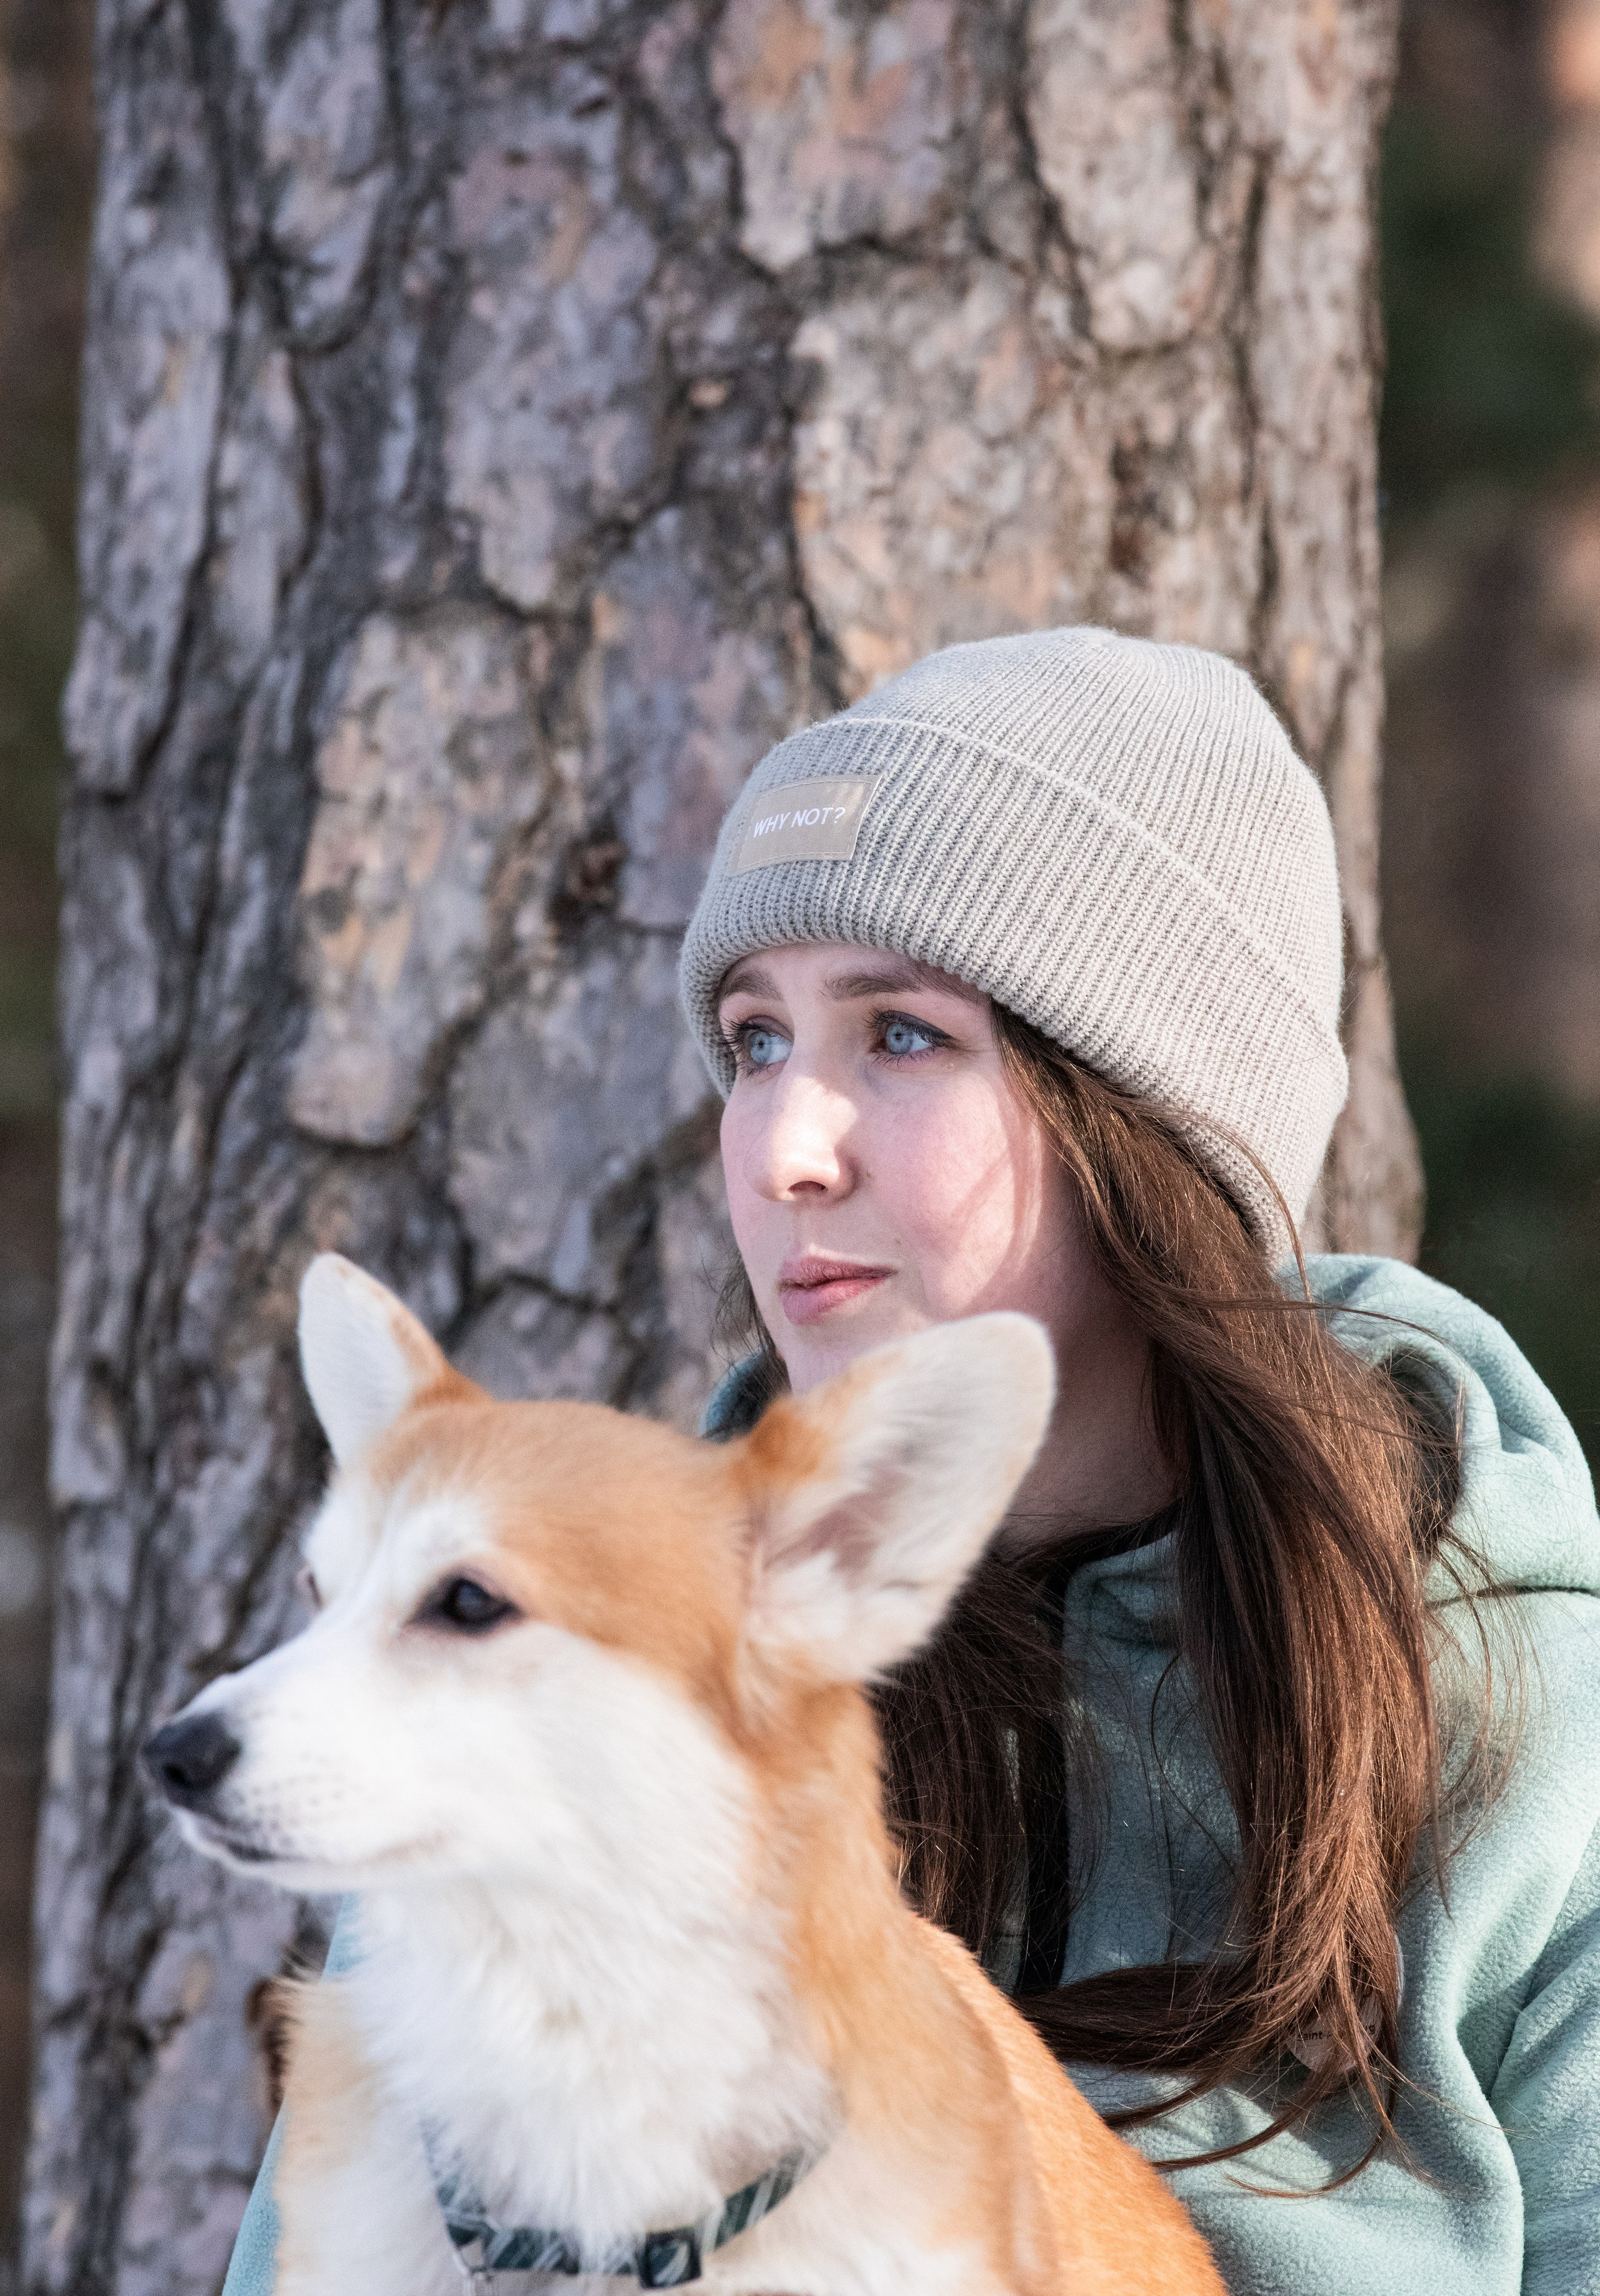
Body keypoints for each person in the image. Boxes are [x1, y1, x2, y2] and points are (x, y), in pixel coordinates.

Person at [222, 628, 1600, 2295]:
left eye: (901, 1035)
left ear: (1142, 1122)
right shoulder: (574, 1668)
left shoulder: (1520, 1679)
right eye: (753, 1038)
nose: (785, 1143)